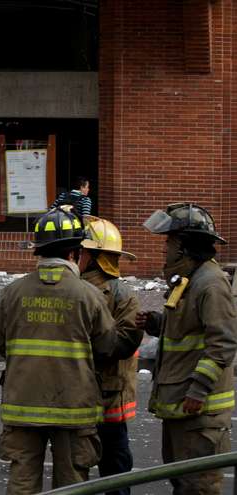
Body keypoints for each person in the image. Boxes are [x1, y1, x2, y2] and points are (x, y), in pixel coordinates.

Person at [0, 206, 130, 493]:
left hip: (22, 404)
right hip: (73, 409)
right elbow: (106, 346)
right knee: (72, 484)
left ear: (39, 252)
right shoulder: (89, 295)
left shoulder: (12, 293)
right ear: (74, 253)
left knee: (22, 483)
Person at [138, 203, 237, 494]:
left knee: (199, 487)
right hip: (181, 408)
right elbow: (189, 330)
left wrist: (199, 389)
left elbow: (223, 342)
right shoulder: (190, 280)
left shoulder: (211, 284)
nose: (164, 248)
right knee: (182, 482)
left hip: (199, 413)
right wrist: (157, 323)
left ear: (184, 245)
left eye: (168, 241)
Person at [79, 215, 143, 495]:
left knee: (97, 463)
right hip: (99, 394)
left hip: (97, 393)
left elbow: (123, 344)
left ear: (93, 257)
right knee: (109, 466)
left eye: (81, 251)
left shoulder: (115, 293)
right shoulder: (121, 294)